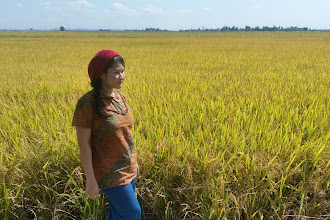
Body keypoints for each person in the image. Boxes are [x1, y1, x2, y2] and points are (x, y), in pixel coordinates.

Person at [71, 49, 141, 219]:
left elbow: (127, 133)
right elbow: (84, 144)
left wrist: (134, 162)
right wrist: (90, 180)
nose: (122, 76)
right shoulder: (87, 102)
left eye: (123, 71)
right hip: (108, 172)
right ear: (102, 75)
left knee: (118, 215)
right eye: (116, 72)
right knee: (133, 212)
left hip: (128, 168)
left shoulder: (120, 97)